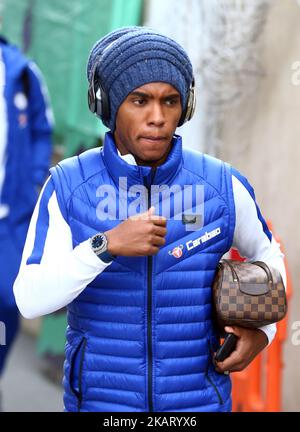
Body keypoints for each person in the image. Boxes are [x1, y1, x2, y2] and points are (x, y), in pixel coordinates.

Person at [13, 27, 286, 412]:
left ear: (185, 107)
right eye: (139, 100)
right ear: (107, 104)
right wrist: (105, 246)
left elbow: (269, 256)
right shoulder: (68, 185)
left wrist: (264, 331)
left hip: (198, 406)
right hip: (102, 406)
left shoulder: (222, 184)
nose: (157, 118)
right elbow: (29, 298)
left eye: (170, 101)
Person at [0, 33, 53, 389]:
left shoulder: (20, 71)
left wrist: (34, 180)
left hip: (11, 217)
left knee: (9, 300)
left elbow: (40, 128)